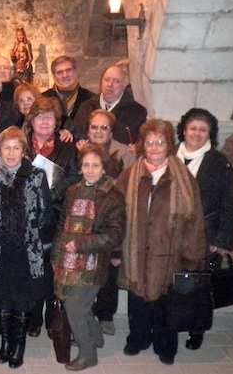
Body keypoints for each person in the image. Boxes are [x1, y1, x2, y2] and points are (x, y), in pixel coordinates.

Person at [115, 119, 206, 365]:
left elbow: (194, 220)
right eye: (150, 142)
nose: (154, 147)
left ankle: (165, 345)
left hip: (170, 253)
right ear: (143, 145)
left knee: (166, 302)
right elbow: (115, 215)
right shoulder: (129, 176)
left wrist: (193, 256)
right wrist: (115, 249)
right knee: (137, 300)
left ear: (169, 145)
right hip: (136, 252)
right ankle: (138, 338)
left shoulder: (183, 178)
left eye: (160, 142)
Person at [0, 126, 53, 368]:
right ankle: (5, 342)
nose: (11, 153)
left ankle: (19, 345)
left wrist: (30, 232)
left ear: (23, 150)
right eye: (6, 148)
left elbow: (46, 213)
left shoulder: (36, 176)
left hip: (25, 249)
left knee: (22, 298)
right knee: (2, 298)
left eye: (16, 148)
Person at [51, 143, 126, 371]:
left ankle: (88, 354)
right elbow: (63, 223)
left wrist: (81, 244)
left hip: (93, 263)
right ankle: (95, 336)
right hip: (68, 258)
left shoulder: (112, 196)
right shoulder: (73, 190)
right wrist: (57, 253)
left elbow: (115, 234)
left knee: (75, 309)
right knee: (80, 306)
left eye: (96, 165)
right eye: (86, 165)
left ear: (104, 168)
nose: (90, 170)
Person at [176, 108, 233, 350]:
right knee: (175, 284)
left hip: (206, 235)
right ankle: (174, 322)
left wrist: (222, 240)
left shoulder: (218, 162)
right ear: (184, 129)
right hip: (173, 234)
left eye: (203, 130)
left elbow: (230, 202)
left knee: (200, 287)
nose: (197, 133)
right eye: (193, 128)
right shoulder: (171, 156)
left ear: (210, 133)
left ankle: (197, 329)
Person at [24, 97, 81, 339]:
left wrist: (50, 194)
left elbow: (74, 176)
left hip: (56, 216)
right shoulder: (21, 143)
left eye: (50, 117)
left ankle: (51, 315)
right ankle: (33, 316)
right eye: (40, 116)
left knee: (51, 269)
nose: (45, 122)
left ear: (57, 122)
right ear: (32, 120)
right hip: (26, 218)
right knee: (31, 269)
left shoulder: (68, 147)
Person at [75, 109, 135, 336]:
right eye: (94, 127)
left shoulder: (124, 153)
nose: (98, 131)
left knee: (109, 270)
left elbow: (130, 192)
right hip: (86, 220)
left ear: (111, 130)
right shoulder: (81, 150)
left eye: (104, 127)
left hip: (111, 221)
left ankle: (106, 314)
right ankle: (86, 313)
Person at [73, 66, 147, 147]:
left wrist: (137, 149)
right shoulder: (86, 107)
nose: (110, 84)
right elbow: (77, 135)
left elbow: (142, 143)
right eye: (107, 80)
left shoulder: (137, 112)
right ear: (101, 82)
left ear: (124, 85)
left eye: (116, 81)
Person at [42, 56, 95, 131]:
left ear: (75, 72)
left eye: (68, 70)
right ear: (54, 76)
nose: (65, 75)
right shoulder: (43, 99)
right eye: (59, 72)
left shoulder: (91, 99)